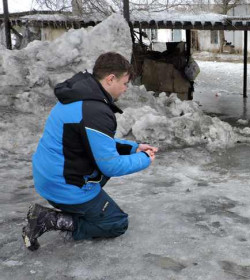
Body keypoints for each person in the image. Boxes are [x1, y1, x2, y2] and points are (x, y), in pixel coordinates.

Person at [22, 52, 158, 251]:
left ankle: (82, 207)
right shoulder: (94, 110)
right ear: (111, 79)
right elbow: (110, 165)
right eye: (125, 83)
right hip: (63, 184)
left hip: (49, 175)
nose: (126, 89)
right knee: (116, 223)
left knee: (103, 167)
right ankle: (49, 219)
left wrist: (133, 148)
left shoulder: (79, 95)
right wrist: (144, 158)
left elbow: (93, 141)